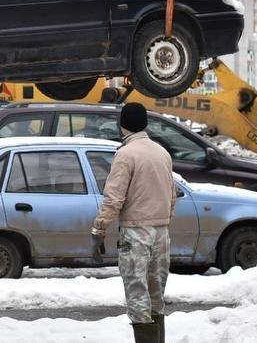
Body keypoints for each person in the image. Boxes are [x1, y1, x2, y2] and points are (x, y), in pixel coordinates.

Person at [91, 103, 178, 343]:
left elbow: (114, 198)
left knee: (138, 295)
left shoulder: (126, 154)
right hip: (161, 233)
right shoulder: (162, 153)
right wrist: (163, 220)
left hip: (135, 234)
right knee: (156, 296)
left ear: (122, 125)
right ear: (146, 124)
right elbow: (172, 195)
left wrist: (99, 229)